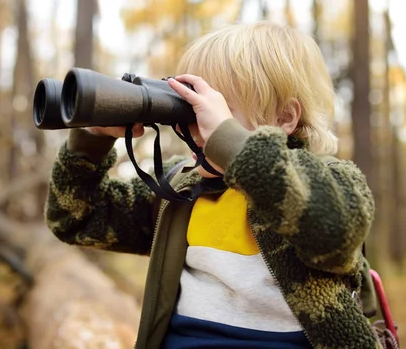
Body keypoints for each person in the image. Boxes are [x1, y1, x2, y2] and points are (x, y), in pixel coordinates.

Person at [45, 21, 379, 349]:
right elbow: (76, 218)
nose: (195, 126)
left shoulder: (329, 179)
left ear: (283, 118)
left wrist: (230, 145)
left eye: (213, 111)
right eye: (187, 109)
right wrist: (91, 141)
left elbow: (333, 233)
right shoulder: (181, 190)